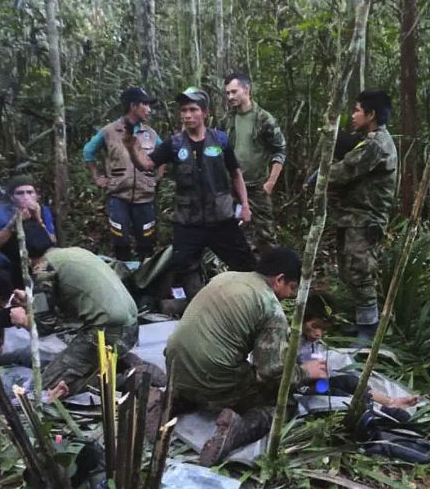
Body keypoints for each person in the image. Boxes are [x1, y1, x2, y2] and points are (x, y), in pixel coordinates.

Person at [163, 247, 328, 466]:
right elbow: (270, 373)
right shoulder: (270, 308)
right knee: (283, 404)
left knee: (213, 369)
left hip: (174, 366)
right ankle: (237, 431)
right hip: (212, 377)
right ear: (279, 279)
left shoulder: (225, 277)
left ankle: (172, 401)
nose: (289, 295)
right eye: (291, 287)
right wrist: (305, 371)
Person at [124, 87, 256, 298]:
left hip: (221, 219)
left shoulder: (220, 140)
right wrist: (132, 148)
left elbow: (235, 174)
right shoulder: (174, 144)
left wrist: (245, 206)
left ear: (205, 113)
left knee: (246, 265)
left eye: (193, 110)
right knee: (182, 267)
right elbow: (146, 165)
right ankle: (193, 303)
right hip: (188, 222)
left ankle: (250, 301)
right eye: (184, 110)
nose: (187, 115)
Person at [16, 226, 139, 396]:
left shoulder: (43, 268)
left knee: (44, 388)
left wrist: (23, 320)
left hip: (107, 332)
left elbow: (44, 326)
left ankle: (122, 381)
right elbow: (69, 304)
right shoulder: (73, 253)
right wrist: (32, 302)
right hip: (131, 327)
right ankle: (116, 369)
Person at [326, 90, 398, 345]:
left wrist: (321, 174)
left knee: (360, 271)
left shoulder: (376, 145)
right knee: (349, 270)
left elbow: (341, 173)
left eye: (357, 110)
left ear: (371, 114)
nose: (353, 115)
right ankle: (362, 323)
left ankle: (369, 331)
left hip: (365, 219)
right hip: (353, 216)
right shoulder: (367, 140)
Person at [83, 87, 165, 261]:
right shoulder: (109, 131)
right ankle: (123, 272)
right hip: (118, 196)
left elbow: (163, 154)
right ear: (133, 106)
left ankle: (145, 273)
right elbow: (88, 152)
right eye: (145, 105)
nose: (149, 110)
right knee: (120, 240)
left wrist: (158, 176)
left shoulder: (150, 133)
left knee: (147, 241)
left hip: (144, 197)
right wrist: (97, 177)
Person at [297, 293, 419, 409]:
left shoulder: (310, 343)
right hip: (298, 389)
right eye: (315, 326)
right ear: (301, 319)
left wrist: (321, 375)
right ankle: (374, 408)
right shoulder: (291, 341)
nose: (318, 333)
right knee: (336, 394)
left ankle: (390, 402)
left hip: (314, 385)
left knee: (349, 382)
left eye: (323, 329)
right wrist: (306, 372)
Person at [219, 72, 287, 252]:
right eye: (227, 93)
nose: (230, 97)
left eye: (234, 92)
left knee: (266, 235)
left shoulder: (264, 119)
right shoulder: (226, 120)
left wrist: (270, 183)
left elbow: (279, 150)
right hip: (232, 187)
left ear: (246, 89)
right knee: (234, 235)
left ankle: (271, 267)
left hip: (257, 187)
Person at [0, 175, 56, 288]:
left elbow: (52, 240)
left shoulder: (43, 210)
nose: (26, 197)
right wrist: (14, 223)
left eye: (30, 192)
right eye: (20, 193)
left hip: (38, 259)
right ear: (12, 197)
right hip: (12, 257)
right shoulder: (3, 212)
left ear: (36, 195)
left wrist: (38, 219)